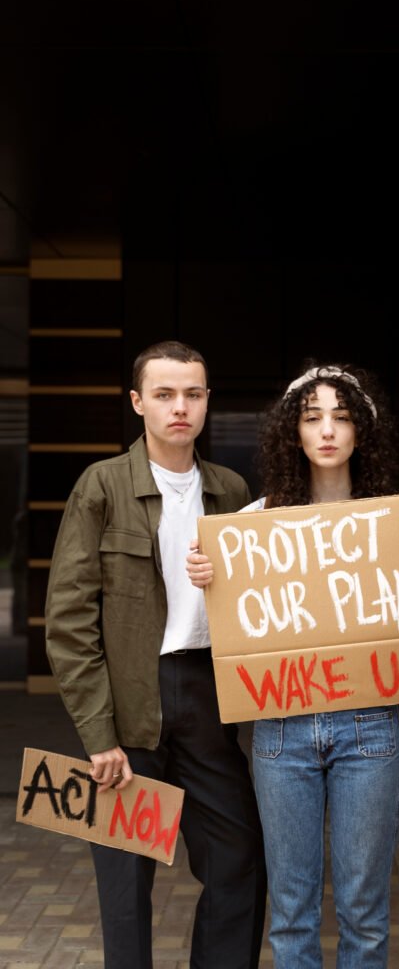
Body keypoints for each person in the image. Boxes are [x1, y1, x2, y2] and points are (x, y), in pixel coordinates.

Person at [187, 362, 399, 969]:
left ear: (362, 430)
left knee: (364, 913)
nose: (328, 430)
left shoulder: (395, 524)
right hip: (280, 730)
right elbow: (227, 621)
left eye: (342, 417)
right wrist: (207, 576)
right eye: (313, 418)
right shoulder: (255, 523)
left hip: (369, 727)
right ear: (294, 432)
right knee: (292, 913)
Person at [45, 341, 266, 969]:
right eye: (164, 395)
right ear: (139, 402)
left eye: (192, 394)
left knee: (239, 858)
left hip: (205, 697)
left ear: (207, 401)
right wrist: (98, 736)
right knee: (125, 879)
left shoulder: (230, 490)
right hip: (128, 700)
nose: (180, 407)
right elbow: (68, 619)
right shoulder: (103, 485)